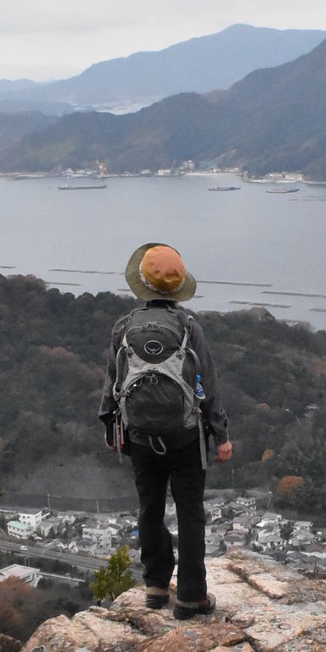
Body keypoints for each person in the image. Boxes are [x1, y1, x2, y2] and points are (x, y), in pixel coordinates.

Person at [99, 242, 232, 617]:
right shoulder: (189, 327)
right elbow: (208, 386)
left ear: (142, 283)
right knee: (190, 513)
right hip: (186, 436)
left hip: (139, 436)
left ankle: (156, 585)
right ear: (178, 288)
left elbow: (112, 380)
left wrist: (109, 426)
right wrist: (221, 436)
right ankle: (191, 595)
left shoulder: (124, 328)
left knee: (149, 508)